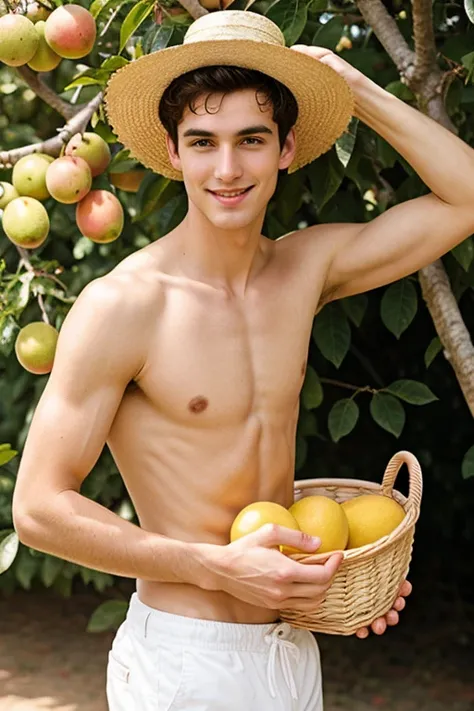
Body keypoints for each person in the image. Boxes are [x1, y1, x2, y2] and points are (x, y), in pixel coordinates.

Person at [11, 7, 473, 710]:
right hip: (183, 658)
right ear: (173, 153)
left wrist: (353, 86)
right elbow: (39, 508)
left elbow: (466, 196)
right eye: (203, 141)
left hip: (289, 646)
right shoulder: (125, 305)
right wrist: (216, 568)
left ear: (287, 148)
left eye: (251, 140)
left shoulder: (307, 269)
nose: (227, 169)